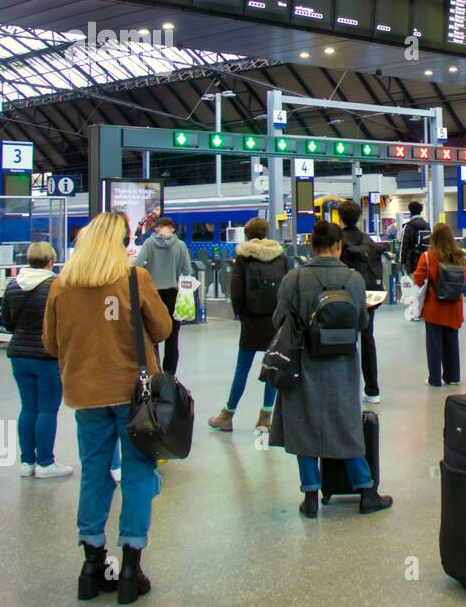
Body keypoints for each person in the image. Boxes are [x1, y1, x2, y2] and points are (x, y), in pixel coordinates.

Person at [41, 213, 172, 604]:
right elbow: (163, 329)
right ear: (120, 241)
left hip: (86, 394)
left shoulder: (62, 286)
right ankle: (131, 566)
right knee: (137, 474)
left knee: (94, 474)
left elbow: (50, 344)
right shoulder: (134, 280)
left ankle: (92, 564)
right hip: (133, 396)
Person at [269, 221, 390, 518]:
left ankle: (310, 495)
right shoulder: (353, 279)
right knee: (347, 424)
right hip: (342, 363)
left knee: (303, 424)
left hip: (303, 362)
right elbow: (361, 322)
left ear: (311, 246)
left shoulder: (294, 278)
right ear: (338, 247)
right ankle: (366, 491)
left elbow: (279, 320)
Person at [210, 218, 287, 432]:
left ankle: (228, 415)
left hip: (252, 322)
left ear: (247, 234)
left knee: (242, 369)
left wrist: (240, 314)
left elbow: (236, 289)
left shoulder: (244, 258)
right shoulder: (280, 257)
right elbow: (287, 287)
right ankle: (265, 418)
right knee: (272, 368)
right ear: (266, 233)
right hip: (275, 321)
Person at [3, 241, 70, 478]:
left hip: (18, 354)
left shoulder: (12, 285)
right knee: (47, 410)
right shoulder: (56, 285)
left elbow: (8, 322)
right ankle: (45, 463)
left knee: (28, 407)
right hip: (47, 355)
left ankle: (26, 462)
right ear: (51, 261)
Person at [412, 222, 466, 388]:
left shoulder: (428, 257)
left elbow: (418, 279)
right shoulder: (460, 256)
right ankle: (453, 376)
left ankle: (435, 379)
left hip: (434, 306)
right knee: (452, 342)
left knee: (434, 345)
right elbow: (463, 279)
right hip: (454, 306)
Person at [338, 200, 384, 403]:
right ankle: (373, 390)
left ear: (340, 217)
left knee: (344, 339)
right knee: (367, 337)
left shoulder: (339, 241)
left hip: (346, 295)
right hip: (370, 295)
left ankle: (346, 391)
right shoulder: (368, 240)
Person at [134, 217, 191, 376]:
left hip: (153, 294)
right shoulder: (180, 245)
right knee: (173, 337)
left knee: (153, 335)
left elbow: (137, 264)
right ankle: (169, 375)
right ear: (172, 229)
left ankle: (155, 371)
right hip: (173, 293)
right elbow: (188, 271)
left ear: (158, 228)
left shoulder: (149, 244)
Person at [399, 201, 429, 274]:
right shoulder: (426, 225)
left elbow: (404, 245)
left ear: (410, 212)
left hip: (411, 260)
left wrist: (402, 262)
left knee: (413, 282)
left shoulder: (408, 226)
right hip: (425, 259)